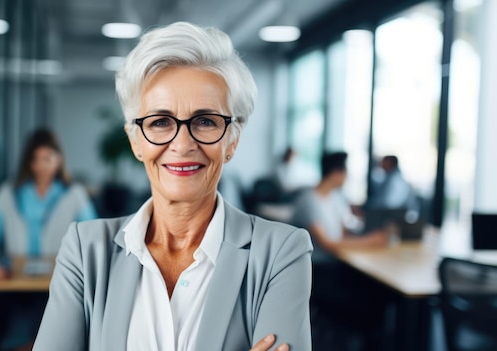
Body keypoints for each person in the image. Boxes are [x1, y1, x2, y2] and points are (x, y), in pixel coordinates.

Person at [34, 22, 312, 351]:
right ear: (136, 141)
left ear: (232, 140)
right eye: (160, 122)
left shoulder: (281, 253)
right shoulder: (85, 251)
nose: (182, 144)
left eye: (206, 121)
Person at [0, 128, 97, 351]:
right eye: (35, 159)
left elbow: (93, 237)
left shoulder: (74, 194)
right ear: (27, 162)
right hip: (17, 284)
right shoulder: (8, 193)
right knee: (20, 329)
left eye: (47, 158)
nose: (41, 166)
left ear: (59, 159)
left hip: (60, 281)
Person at [290, 151, 387, 263]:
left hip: (336, 259)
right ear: (336, 173)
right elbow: (327, 245)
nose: (347, 177)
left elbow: (342, 236)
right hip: (316, 266)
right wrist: (370, 241)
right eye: (346, 172)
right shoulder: (308, 201)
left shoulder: (337, 198)